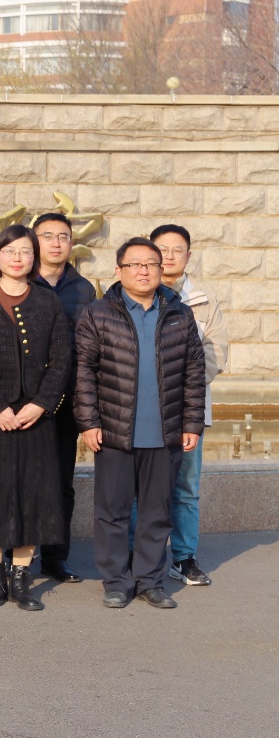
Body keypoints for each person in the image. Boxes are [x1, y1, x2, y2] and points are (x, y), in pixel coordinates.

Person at [76, 237, 206, 610]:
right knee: (113, 512)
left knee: (156, 512)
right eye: (135, 264)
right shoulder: (98, 313)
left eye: (151, 263)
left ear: (161, 269)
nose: (144, 271)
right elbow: (84, 372)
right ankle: (117, 581)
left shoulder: (179, 314)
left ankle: (150, 581)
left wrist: (192, 423)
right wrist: (89, 422)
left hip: (165, 433)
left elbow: (194, 373)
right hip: (114, 432)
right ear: (119, 271)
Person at [0, 225, 72, 611]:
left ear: (34, 257)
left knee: (34, 495)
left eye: (25, 251)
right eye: (10, 251)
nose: (18, 258)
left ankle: (21, 577)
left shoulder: (48, 302)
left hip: (36, 417)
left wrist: (41, 404)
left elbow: (61, 359)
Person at [151, 224, 227, 588]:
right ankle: (140, 555)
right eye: (162, 249)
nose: (169, 256)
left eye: (176, 250)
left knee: (185, 487)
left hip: (188, 409)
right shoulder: (136, 292)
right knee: (141, 486)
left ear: (188, 255)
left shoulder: (204, 300)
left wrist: (183, 389)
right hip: (144, 407)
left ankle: (183, 557)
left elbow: (215, 353)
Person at [30, 212, 97, 584]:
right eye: (48, 235)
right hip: (24, 399)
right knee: (21, 479)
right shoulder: (20, 281)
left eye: (63, 236)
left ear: (72, 243)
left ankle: (55, 557)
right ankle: (13, 555)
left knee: (60, 482)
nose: (56, 243)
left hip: (66, 399)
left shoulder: (83, 289)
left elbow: (89, 348)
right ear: (34, 240)